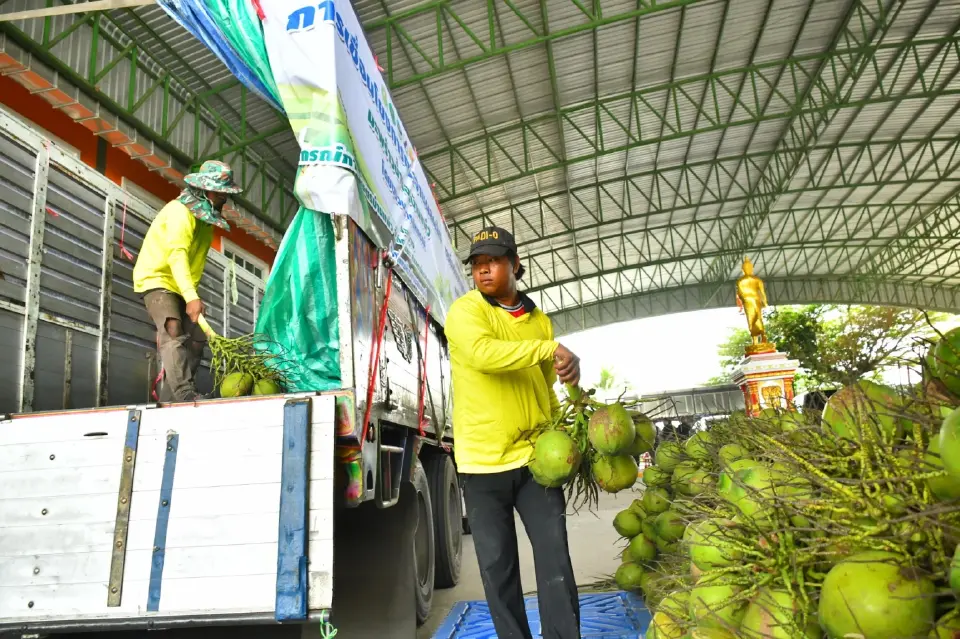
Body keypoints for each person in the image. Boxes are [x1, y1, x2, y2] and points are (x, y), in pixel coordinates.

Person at [445, 226, 582, 639]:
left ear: (515, 264)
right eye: (477, 265)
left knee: (555, 557)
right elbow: (482, 355)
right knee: (498, 569)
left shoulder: (540, 322)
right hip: (482, 465)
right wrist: (549, 349)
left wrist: (569, 405)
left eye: (493, 261)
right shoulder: (466, 311)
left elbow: (544, 385)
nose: (483, 271)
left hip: (534, 460)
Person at [132, 160, 242, 401]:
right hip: (157, 279)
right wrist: (191, 296)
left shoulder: (205, 222)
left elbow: (195, 263)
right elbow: (177, 254)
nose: (224, 197)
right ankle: (184, 394)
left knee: (196, 340)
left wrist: (190, 293)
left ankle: (175, 398)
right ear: (205, 190)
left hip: (180, 285)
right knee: (173, 329)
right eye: (221, 192)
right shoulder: (179, 212)